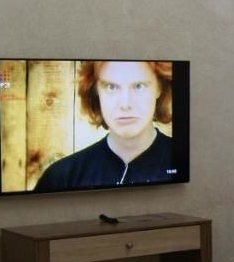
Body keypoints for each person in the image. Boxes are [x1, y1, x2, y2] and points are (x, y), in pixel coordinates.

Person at [33, 60, 175, 192]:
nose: (125, 104)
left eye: (139, 86)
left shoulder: (183, 161)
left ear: (159, 87)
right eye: (111, 87)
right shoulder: (61, 178)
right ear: (96, 91)